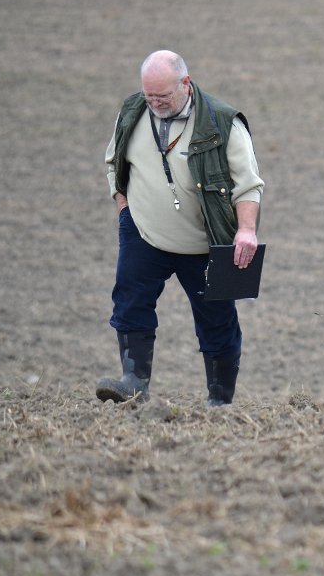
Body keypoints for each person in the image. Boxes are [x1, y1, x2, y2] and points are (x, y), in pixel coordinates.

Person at [96, 50, 264, 407]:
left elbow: (248, 185)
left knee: (217, 320)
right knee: (130, 301)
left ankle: (220, 400)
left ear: (185, 83)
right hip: (143, 232)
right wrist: (124, 209)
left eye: (163, 96)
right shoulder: (132, 111)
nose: (155, 103)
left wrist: (246, 231)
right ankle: (133, 383)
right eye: (149, 96)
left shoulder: (223, 122)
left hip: (206, 241)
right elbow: (114, 162)